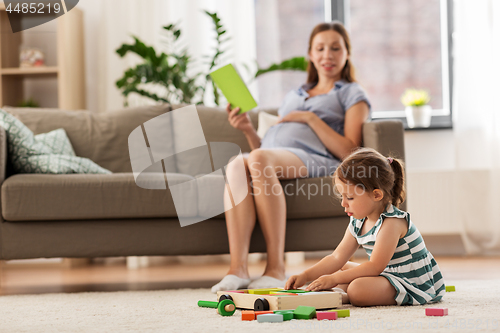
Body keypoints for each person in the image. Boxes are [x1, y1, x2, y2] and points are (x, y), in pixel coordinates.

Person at [211, 21, 371, 293]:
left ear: (346, 54)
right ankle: (237, 269)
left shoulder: (351, 93)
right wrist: (247, 129)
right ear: (310, 54)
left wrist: (310, 118)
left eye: (335, 48)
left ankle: (275, 268)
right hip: (275, 156)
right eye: (320, 48)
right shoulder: (294, 94)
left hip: (318, 157)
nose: (327, 55)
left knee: (258, 158)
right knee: (238, 163)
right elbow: (265, 147)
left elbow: (350, 152)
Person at [285, 148, 446, 306]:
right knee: (340, 267)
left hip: (409, 280)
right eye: (342, 196)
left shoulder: (392, 223)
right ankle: (341, 293)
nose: (343, 203)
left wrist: (333, 279)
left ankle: (346, 296)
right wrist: (305, 276)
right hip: (386, 273)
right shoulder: (358, 221)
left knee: (356, 289)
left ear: (376, 195)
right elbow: (337, 257)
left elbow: (375, 267)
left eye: (350, 197)